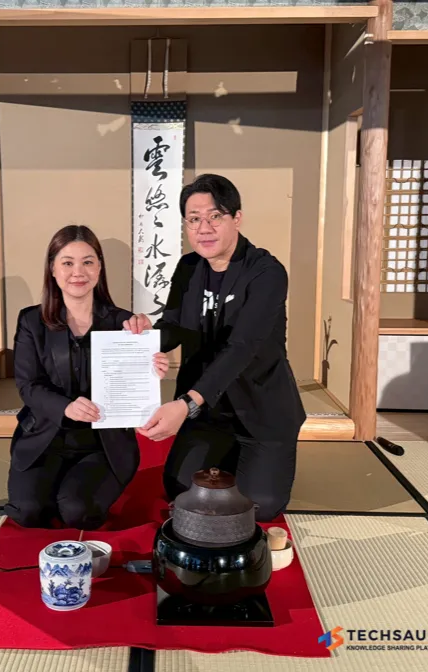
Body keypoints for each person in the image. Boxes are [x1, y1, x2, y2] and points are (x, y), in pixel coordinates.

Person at [124, 174, 306, 522]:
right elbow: (174, 326)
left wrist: (187, 404)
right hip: (211, 413)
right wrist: (144, 338)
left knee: (259, 505)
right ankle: (230, 456)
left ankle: (258, 460)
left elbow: (242, 347)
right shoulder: (189, 267)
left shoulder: (266, 273)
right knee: (179, 488)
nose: (203, 228)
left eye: (215, 216)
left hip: (260, 411)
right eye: (194, 219)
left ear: (236, 218)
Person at [6, 225, 170, 530]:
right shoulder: (31, 320)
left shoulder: (125, 323)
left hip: (102, 444)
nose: (78, 272)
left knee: (78, 512)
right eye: (67, 262)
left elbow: (132, 381)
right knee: (28, 512)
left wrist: (152, 369)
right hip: (45, 436)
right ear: (52, 269)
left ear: (99, 268)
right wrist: (65, 407)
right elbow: (28, 386)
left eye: (88, 262)